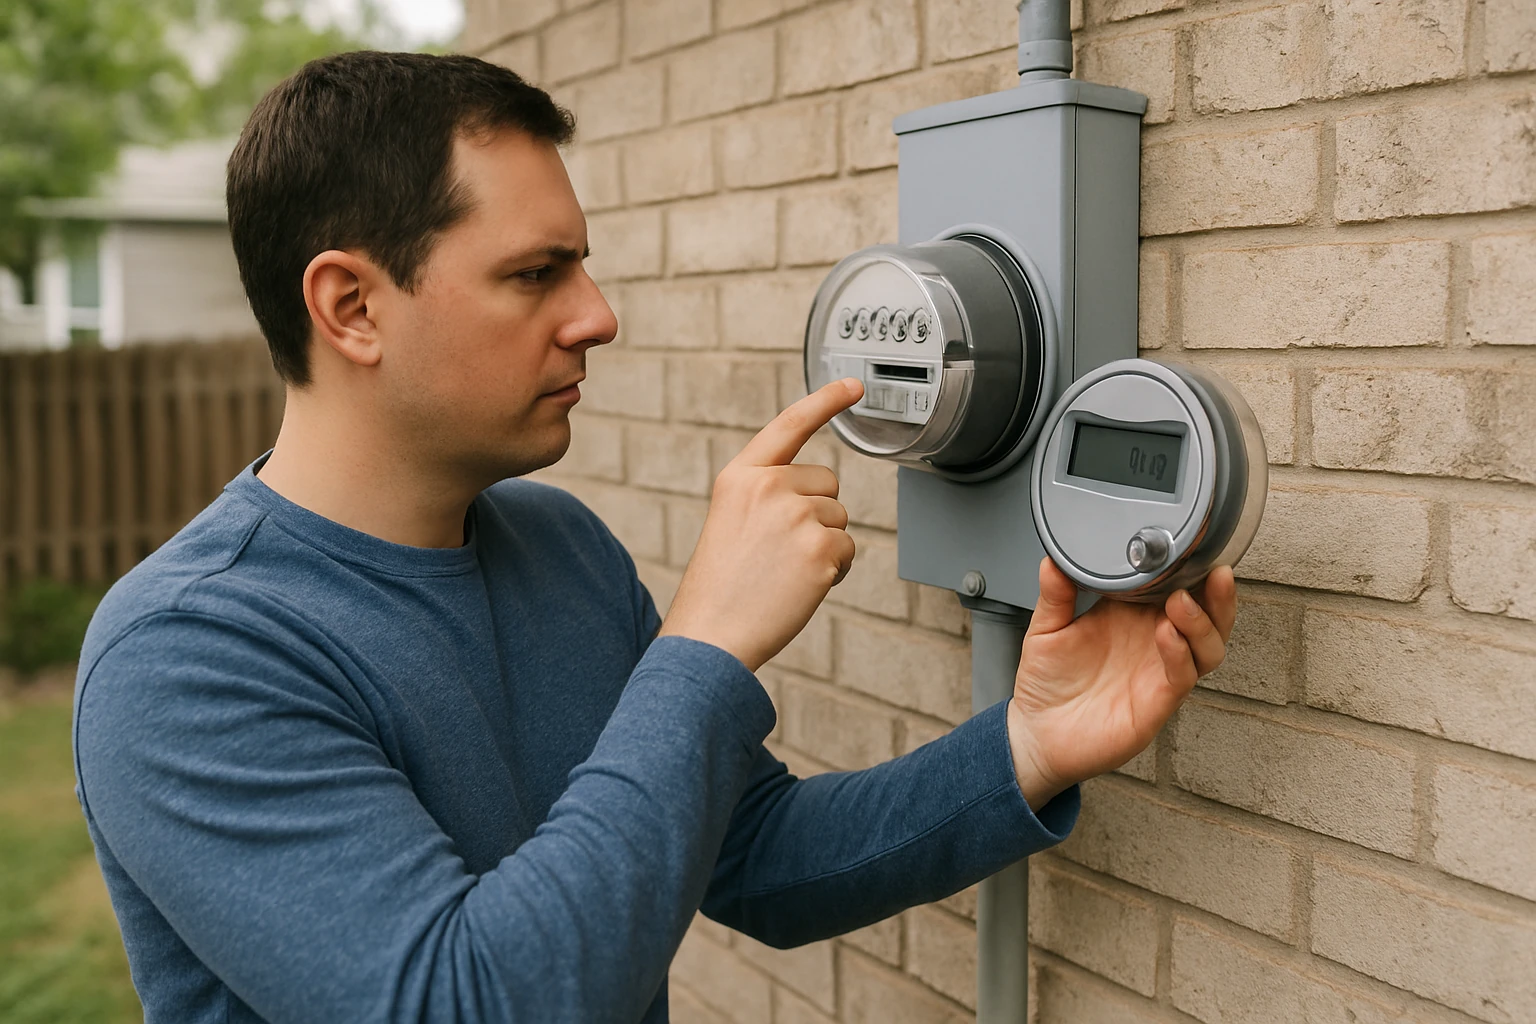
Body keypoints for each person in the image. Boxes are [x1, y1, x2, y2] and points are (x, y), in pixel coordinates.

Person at [72, 51, 1237, 1024]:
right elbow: (469, 1001)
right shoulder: (188, 656)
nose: (599, 314)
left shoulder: (556, 545)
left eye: (581, 261)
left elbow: (758, 858)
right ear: (353, 307)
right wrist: (705, 644)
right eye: (537, 273)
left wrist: (1030, 742)